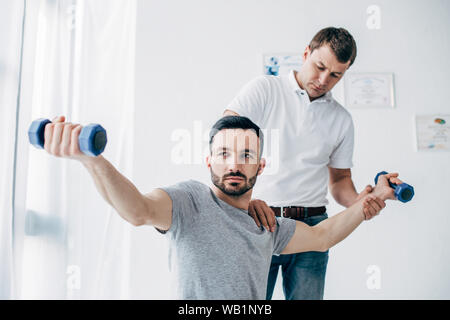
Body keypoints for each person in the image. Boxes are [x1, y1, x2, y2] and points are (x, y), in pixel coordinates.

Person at [42, 115, 400, 299]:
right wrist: (91, 160)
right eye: (224, 154)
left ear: (261, 166)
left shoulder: (266, 224)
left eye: (246, 156)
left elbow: (322, 236)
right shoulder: (188, 201)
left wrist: (375, 198)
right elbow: (137, 210)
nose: (234, 164)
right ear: (209, 161)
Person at [224, 27, 371, 300]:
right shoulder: (265, 89)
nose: (324, 79)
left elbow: (339, 180)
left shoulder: (342, 119)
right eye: (320, 66)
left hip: (313, 227)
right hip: (258, 220)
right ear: (306, 53)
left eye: (336, 75)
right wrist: (239, 199)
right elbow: (226, 134)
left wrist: (360, 202)